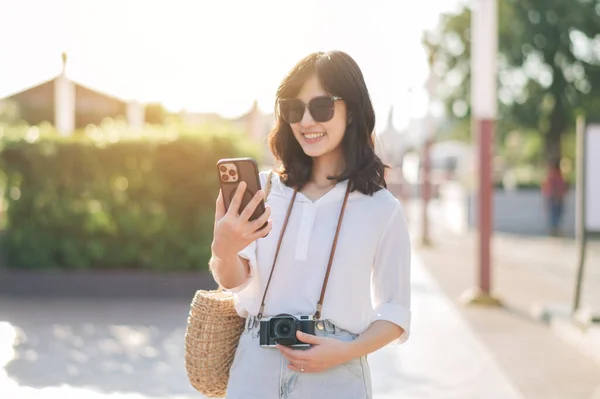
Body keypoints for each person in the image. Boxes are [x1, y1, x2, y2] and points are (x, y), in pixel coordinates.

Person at [209, 50, 411, 399]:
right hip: (255, 366)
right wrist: (222, 250)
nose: (306, 121)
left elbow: (396, 312)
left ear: (352, 112)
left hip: (336, 372)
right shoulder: (265, 190)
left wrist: (347, 351)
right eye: (293, 109)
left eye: (322, 107)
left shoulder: (382, 208)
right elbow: (236, 281)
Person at [541, 159, 568, 237]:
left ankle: (554, 230)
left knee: (555, 214)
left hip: (554, 197)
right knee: (555, 215)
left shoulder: (552, 175)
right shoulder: (556, 175)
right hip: (556, 198)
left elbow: (546, 187)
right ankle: (554, 230)